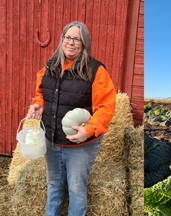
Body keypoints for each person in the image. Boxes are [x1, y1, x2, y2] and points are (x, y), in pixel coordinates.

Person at [26, 21, 116, 216]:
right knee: (54, 186)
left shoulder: (95, 70)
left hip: (80, 145)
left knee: (76, 189)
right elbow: (41, 93)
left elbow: (106, 107)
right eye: (68, 37)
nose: (71, 42)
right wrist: (38, 104)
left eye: (77, 39)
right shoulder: (50, 66)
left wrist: (89, 130)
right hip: (52, 140)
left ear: (84, 43)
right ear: (62, 39)